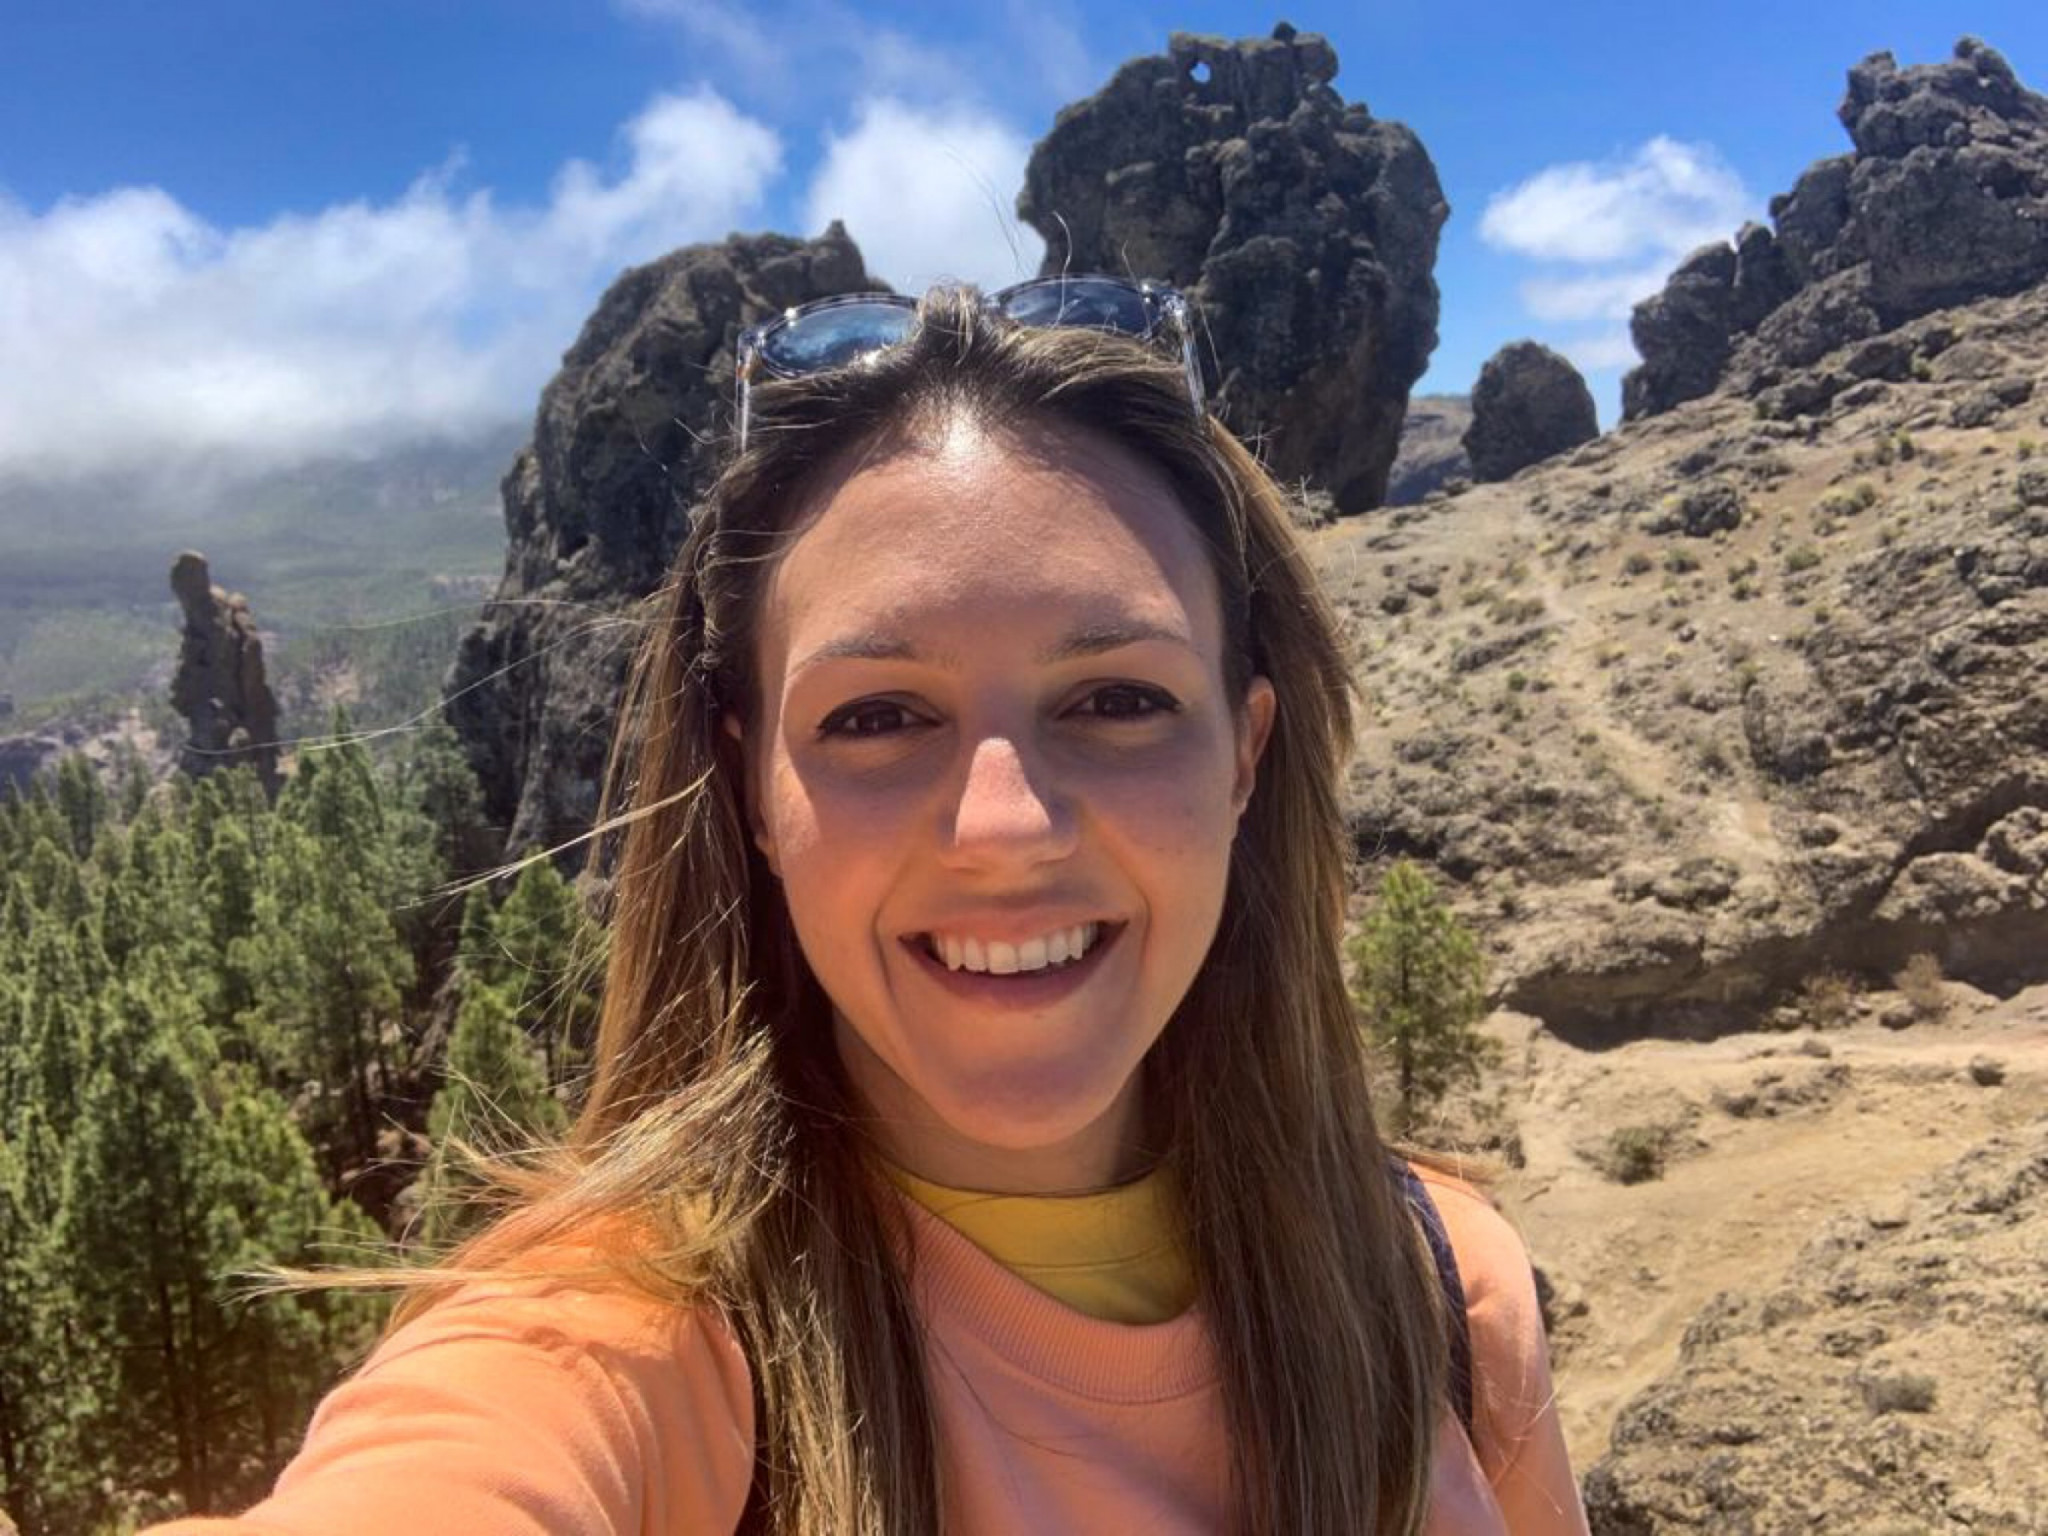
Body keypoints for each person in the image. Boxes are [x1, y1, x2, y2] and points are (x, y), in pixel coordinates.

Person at [146, 279, 1587, 1535]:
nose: (1006, 829)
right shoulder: (619, 1349)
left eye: (1116, 699)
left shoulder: (1441, 1294)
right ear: (751, 792)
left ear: (1245, 756)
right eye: (879, 716)